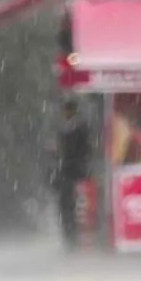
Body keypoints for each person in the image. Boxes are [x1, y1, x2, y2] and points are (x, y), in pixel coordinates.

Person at [54, 100, 91, 251]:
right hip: (68, 173)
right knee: (67, 207)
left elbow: (82, 150)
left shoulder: (79, 129)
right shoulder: (64, 130)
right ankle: (69, 238)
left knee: (74, 207)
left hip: (75, 173)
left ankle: (74, 239)